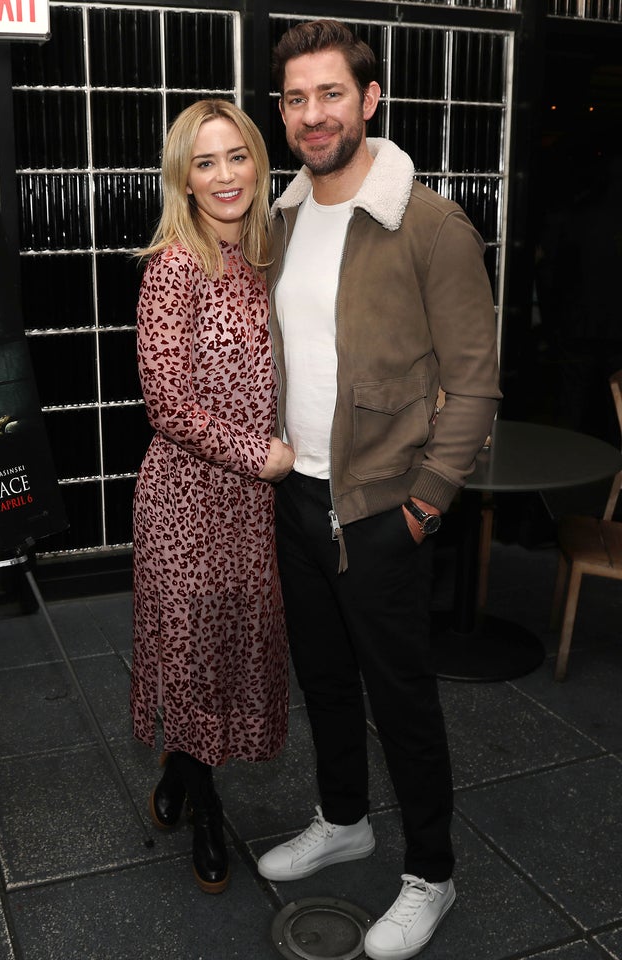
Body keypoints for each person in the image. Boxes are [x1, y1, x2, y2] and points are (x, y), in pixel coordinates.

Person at [256, 20, 502, 960]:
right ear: (282, 113)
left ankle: (431, 873)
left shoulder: (428, 223)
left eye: (329, 94)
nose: (312, 115)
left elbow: (475, 379)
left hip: (383, 509)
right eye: (295, 99)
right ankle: (345, 819)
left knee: (402, 698)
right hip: (297, 496)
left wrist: (428, 502)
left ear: (370, 99)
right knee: (322, 678)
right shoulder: (280, 221)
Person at [130, 99, 295, 895]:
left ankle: (178, 771)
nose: (225, 175)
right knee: (194, 657)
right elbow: (167, 405)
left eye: (237, 157)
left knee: (226, 655)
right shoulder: (174, 265)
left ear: (259, 164)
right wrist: (258, 454)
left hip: (249, 510)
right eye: (205, 162)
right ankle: (204, 807)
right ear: (183, 180)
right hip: (186, 505)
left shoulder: (268, 255)